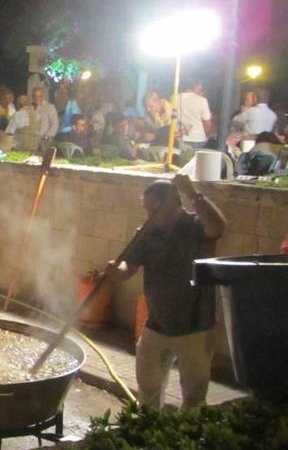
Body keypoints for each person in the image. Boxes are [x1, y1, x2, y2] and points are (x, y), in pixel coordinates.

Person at [105, 176, 225, 409]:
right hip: (158, 322)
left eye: (154, 209)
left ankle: (187, 438)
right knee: (148, 385)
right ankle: (147, 432)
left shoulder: (196, 227)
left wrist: (192, 192)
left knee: (194, 393)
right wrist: (115, 270)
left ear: (173, 202)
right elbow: (128, 268)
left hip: (195, 324)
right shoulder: (147, 232)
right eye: (146, 209)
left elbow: (218, 226)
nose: (149, 215)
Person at [176, 79, 212, 149]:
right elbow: (208, 123)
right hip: (199, 138)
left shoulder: (175, 98)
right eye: (200, 88)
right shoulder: (202, 100)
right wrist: (206, 135)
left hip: (181, 137)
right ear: (196, 86)